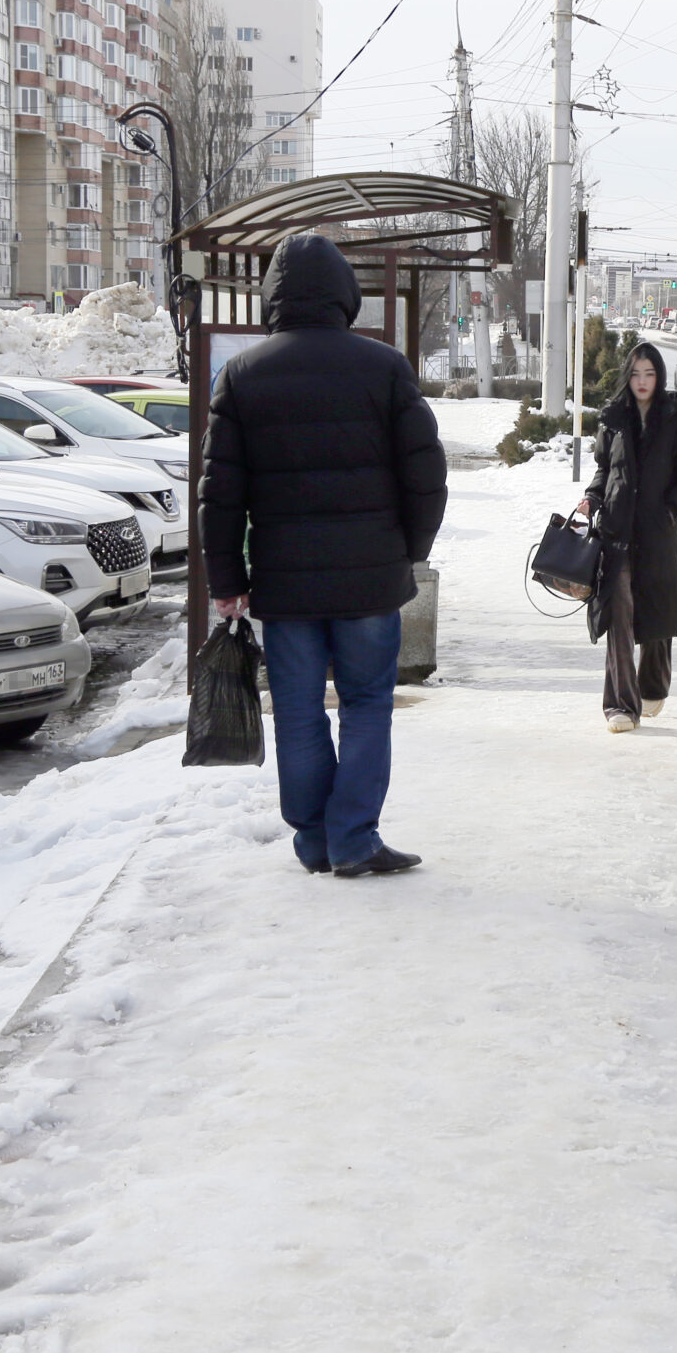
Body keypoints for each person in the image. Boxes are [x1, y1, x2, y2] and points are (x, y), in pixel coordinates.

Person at [200, 233, 447, 877]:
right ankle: (354, 838)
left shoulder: (243, 373)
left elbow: (220, 493)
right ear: (345, 292)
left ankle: (314, 839)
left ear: (271, 296)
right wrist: (410, 552)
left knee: (301, 710)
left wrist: (227, 579)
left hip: (285, 585)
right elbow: (426, 474)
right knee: (367, 703)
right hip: (370, 578)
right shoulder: (384, 367)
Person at [573, 342, 677, 733]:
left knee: (658, 615)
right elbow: (604, 469)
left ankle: (652, 687)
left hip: (658, 534)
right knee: (619, 614)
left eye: (649, 374)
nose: (642, 382)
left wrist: (671, 509)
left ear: (659, 376)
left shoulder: (676, 419)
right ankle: (619, 705)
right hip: (616, 532)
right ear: (627, 377)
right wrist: (593, 497)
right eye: (635, 374)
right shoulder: (613, 419)